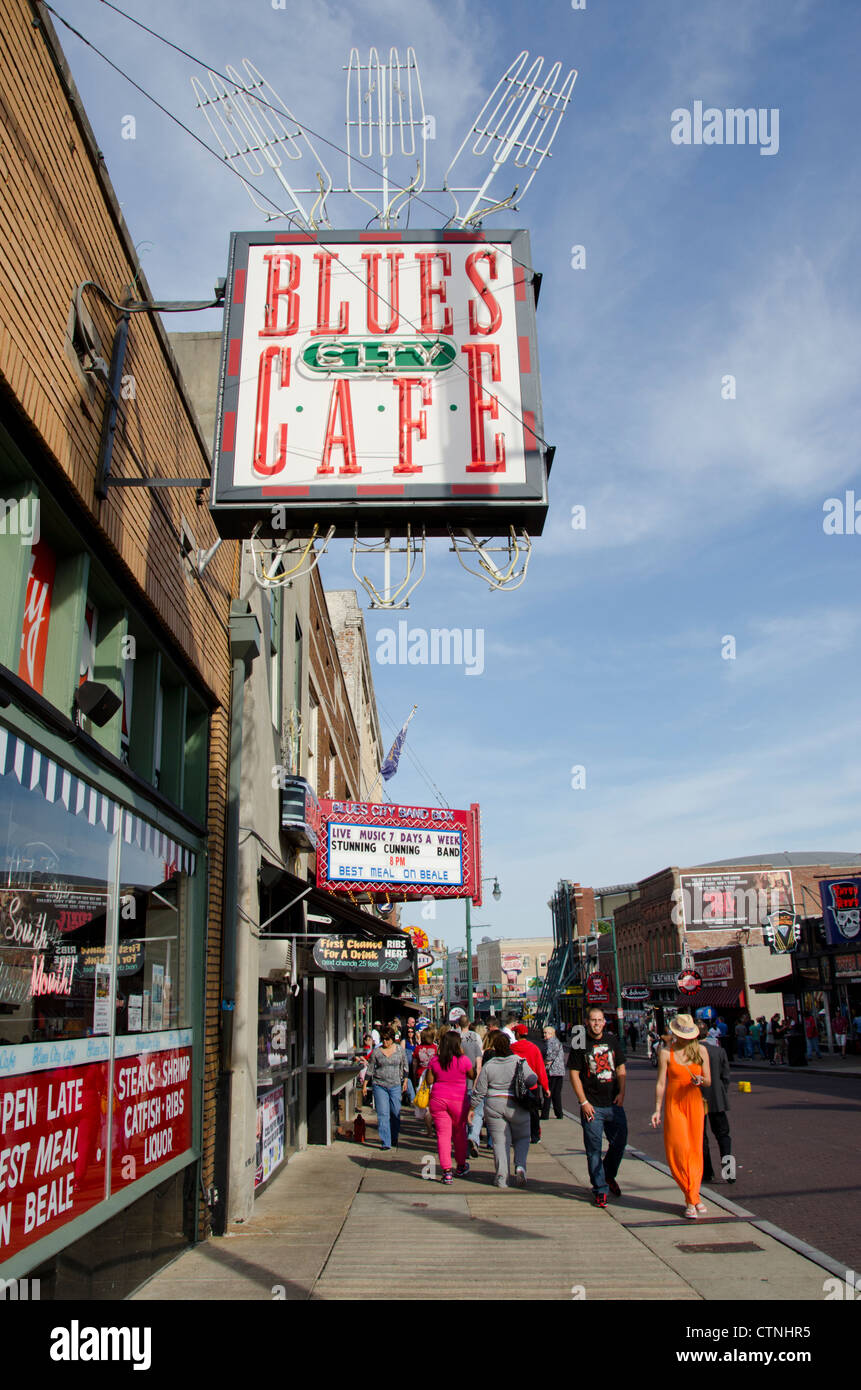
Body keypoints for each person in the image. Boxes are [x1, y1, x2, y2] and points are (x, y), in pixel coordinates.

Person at [651, 1013, 711, 1219]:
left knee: (695, 1150)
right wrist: (657, 1109)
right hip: (674, 1103)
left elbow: (709, 1081)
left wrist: (700, 1080)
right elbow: (661, 1082)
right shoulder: (666, 1052)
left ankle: (692, 1198)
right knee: (679, 1149)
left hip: (694, 1102)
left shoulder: (701, 1050)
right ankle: (692, 1196)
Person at [568, 1005, 627, 1208]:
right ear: (587, 1022)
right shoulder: (580, 1042)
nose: (596, 1023)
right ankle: (600, 1189)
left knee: (619, 1142)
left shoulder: (611, 1040)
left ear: (604, 1021)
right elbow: (574, 1072)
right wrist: (583, 1101)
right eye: (593, 1020)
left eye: (600, 1020)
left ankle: (608, 1175)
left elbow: (620, 1067)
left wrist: (621, 1093)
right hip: (592, 1105)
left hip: (613, 1103)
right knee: (593, 1150)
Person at [468, 1030, 538, 1187]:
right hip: (517, 1105)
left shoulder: (489, 1065)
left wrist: (472, 1108)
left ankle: (501, 1177)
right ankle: (520, 1166)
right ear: (509, 1046)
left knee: (500, 1142)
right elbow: (533, 1078)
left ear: (495, 1047)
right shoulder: (519, 1061)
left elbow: (480, 1091)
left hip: (494, 1105)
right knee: (522, 1138)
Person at [425, 1029, 474, 1183]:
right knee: (459, 1134)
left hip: (438, 1099)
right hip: (458, 1100)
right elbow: (472, 1075)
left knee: (443, 1135)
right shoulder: (463, 1060)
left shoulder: (435, 1060)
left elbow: (429, 1081)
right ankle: (460, 1165)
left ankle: (446, 1171)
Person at [698, 1023, 734, 1184]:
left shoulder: (692, 1053)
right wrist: (721, 1091)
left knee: (701, 1137)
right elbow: (726, 1076)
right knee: (723, 1135)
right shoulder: (719, 1051)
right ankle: (729, 1171)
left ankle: (707, 1171)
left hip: (698, 1098)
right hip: (717, 1098)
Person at [366, 1026, 409, 1150]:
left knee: (395, 1112)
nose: (385, 1042)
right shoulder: (377, 1052)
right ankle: (386, 1141)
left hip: (395, 1084)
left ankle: (394, 1136)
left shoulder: (399, 1050)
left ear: (392, 1039)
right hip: (380, 1085)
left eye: (388, 1039)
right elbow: (370, 1068)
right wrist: (365, 1084)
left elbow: (405, 1066)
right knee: (383, 1113)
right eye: (383, 1039)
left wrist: (405, 1080)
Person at [451, 1016, 484, 1158]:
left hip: (457, 1084)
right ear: (469, 1024)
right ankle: (473, 1137)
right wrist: (477, 1081)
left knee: (461, 1117)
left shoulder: (453, 1038)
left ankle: (464, 1146)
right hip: (473, 1084)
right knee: (476, 1113)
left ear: (458, 1024)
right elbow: (479, 1065)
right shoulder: (475, 1038)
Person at [413, 1027, 438, 1138]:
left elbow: (414, 1064)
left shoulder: (418, 1049)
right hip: (434, 1078)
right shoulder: (436, 1049)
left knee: (426, 1105)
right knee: (434, 1105)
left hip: (421, 1078)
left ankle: (429, 1131)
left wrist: (414, 1077)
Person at [540, 1025, 566, 1119]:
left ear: (551, 1033)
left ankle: (545, 1114)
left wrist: (543, 1062)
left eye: (546, 1033)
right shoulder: (557, 1042)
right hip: (559, 1071)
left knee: (548, 1092)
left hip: (552, 1071)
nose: (544, 1035)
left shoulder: (551, 1042)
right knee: (556, 1093)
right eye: (544, 1032)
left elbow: (549, 1055)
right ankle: (559, 1113)